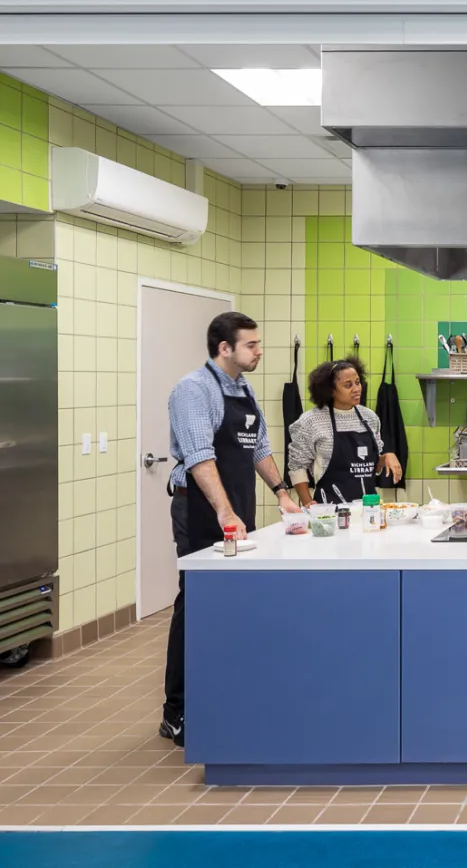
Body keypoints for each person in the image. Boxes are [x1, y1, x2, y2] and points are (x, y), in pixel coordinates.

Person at [160, 312, 302, 747]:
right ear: (225, 348)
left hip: (235, 509)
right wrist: (224, 511)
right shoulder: (192, 390)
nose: (259, 351)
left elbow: (258, 447)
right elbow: (201, 456)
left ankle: (228, 695)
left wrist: (281, 492)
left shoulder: (243, 387)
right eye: (252, 345)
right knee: (198, 601)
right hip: (203, 510)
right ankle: (178, 710)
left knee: (237, 600)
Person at [287, 358, 402, 506]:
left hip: (368, 509)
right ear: (330, 390)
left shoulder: (370, 418)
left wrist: (386, 457)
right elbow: (297, 466)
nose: (356, 389)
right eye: (348, 385)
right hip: (329, 510)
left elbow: (371, 466)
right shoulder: (311, 421)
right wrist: (308, 502)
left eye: (358, 382)